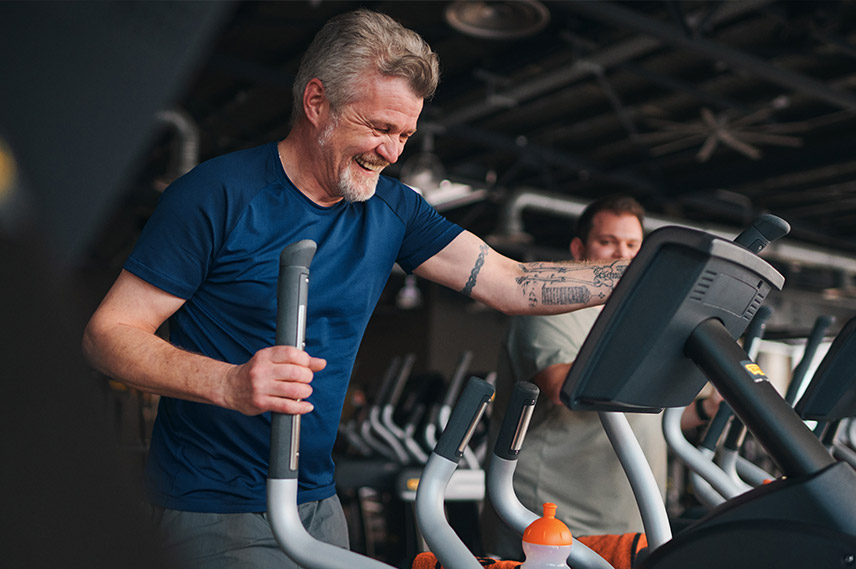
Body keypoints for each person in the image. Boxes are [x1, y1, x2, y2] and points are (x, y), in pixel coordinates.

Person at [81, 9, 632, 569]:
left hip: (318, 501)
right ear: (316, 102)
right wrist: (227, 383)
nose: (393, 153)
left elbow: (511, 282)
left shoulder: (393, 211)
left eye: (405, 135)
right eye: (379, 128)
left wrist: (642, 279)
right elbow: (108, 334)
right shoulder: (217, 195)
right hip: (208, 506)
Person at [479, 195, 722, 560]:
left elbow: (648, 417)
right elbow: (564, 389)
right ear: (580, 249)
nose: (620, 255)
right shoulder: (551, 306)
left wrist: (705, 410)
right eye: (607, 242)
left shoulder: (643, 322)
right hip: (554, 514)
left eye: (632, 246)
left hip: (632, 514)